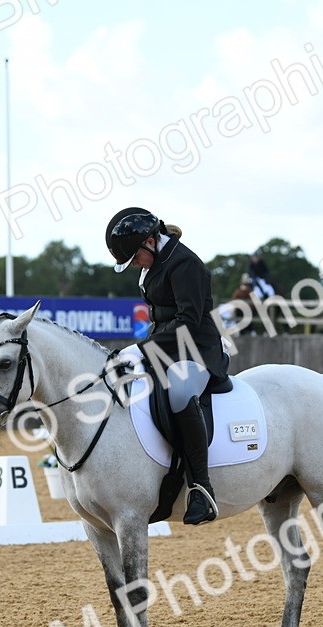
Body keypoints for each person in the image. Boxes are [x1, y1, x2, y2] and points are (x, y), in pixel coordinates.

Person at [106, 207, 226, 525]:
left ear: (149, 241)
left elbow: (187, 321)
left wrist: (141, 349)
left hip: (197, 349)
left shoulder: (185, 264)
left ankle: (201, 487)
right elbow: (160, 318)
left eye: (134, 258)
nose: (134, 266)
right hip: (165, 348)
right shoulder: (154, 263)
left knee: (178, 393)